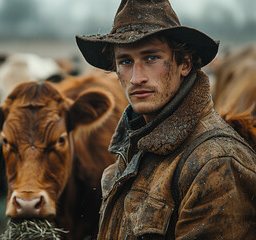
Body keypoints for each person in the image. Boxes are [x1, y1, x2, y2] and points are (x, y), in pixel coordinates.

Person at [75, 0, 256, 239]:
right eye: (126, 62)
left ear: (184, 63)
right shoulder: (130, 149)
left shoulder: (217, 163)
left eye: (151, 58)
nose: (136, 78)